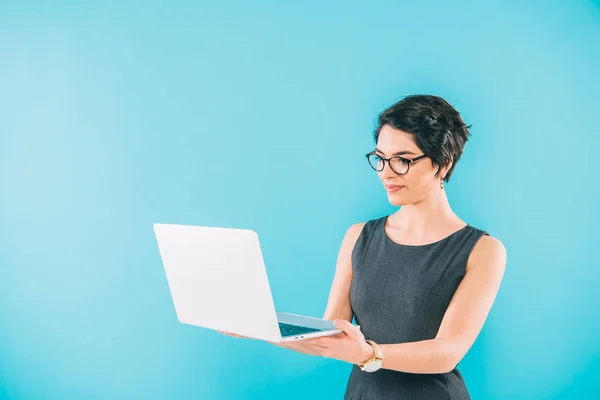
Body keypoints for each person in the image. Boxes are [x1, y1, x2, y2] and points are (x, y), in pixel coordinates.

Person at [218, 94, 507, 399]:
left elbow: (447, 352)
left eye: (403, 160)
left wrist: (369, 353)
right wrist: (259, 325)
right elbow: (327, 336)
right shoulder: (359, 236)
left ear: (443, 163)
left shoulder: (483, 250)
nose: (386, 171)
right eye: (381, 158)